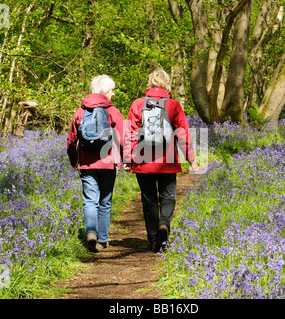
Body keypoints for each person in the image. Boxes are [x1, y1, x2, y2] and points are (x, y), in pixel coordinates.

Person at [123, 68, 198, 253]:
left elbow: (130, 133)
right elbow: (183, 133)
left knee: (149, 200)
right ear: (167, 83)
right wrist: (192, 160)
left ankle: (153, 240)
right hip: (168, 160)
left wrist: (127, 158)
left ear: (150, 83)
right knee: (168, 196)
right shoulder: (173, 105)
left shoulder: (138, 104)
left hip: (143, 160)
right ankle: (164, 223)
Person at [67, 75, 124, 252]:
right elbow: (123, 137)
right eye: (112, 90)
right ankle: (104, 239)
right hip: (108, 163)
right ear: (104, 91)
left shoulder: (81, 111)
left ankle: (91, 233)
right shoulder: (112, 111)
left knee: (90, 201)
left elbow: (71, 140)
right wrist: (126, 160)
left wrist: (74, 161)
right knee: (105, 201)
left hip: (87, 165)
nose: (113, 93)